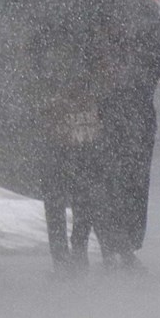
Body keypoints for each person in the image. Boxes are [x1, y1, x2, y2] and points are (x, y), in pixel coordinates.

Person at [96, 0, 160, 270]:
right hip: (105, 107)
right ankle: (111, 244)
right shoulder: (93, 6)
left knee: (134, 177)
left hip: (137, 108)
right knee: (109, 177)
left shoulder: (144, 8)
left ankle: (127, 244)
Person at [28, 22, 108, 276]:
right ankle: (68, 252)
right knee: (70, 191)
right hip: (65, 119)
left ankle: (71, 250)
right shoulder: (82, 24)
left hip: (74, 119)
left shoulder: (69, 28)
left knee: (72, 191)